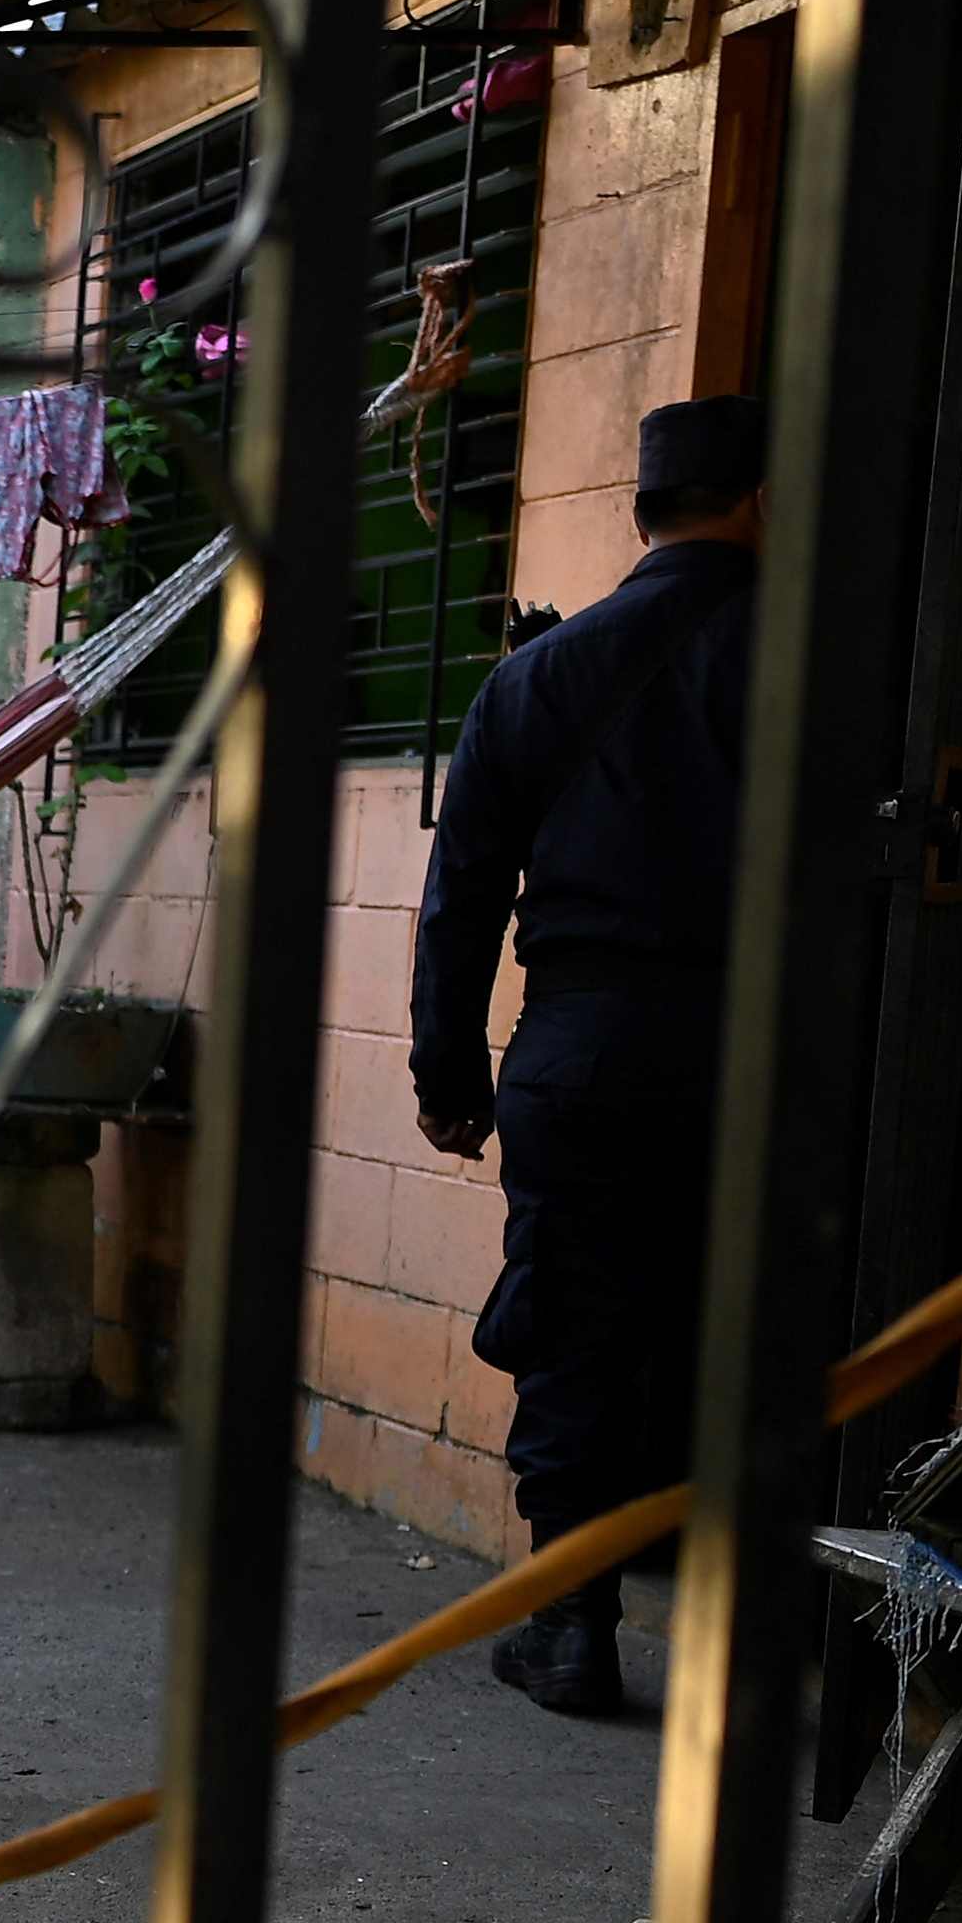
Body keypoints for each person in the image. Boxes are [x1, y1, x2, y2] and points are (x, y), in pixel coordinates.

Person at [410, 390, 767, 1717]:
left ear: (641, 511)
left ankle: (570, 1621)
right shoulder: (820, 661)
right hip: (758, 1043)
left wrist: (451, 1078)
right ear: (763, 503)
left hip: (582, 1043)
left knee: (573, 1322)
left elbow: (460, 898)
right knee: (738, 1319)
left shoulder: (537, 676)